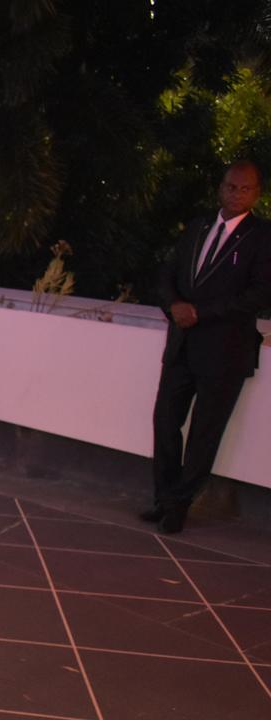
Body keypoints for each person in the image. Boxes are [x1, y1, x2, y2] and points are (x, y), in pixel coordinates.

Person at [143, 159, 271, 534]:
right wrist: (173, 306)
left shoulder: (262, 236)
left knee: (204, 433)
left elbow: (261, 294)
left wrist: (200, 311)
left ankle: (179, 505)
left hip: (225, 352)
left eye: (245, 189)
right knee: (165, 422)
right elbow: (167, 274)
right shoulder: (198, 227)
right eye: (231, 186)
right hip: (182, 346)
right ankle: (164, 498)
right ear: (221, 186)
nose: (236, 194)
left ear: (256, 194)